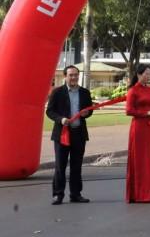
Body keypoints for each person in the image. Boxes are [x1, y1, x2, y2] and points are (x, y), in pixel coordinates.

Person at [45, 65, 93, 205]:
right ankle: (58, 194)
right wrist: (61, 119)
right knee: (60, 165)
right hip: (62, 134)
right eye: (71, 75)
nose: (74, 78)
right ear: (65, 76)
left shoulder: (84, 92)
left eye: (76, 75)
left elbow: (89, 110)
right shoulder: (57, 92)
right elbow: (50, 111)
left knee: (76, 165)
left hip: (79, 133)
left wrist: (87, 113)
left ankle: (76, 194)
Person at [125, 65, 150, 203]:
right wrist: (147, 113)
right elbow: (128, 111)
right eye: (146, 73)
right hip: (138, 127)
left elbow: (149, 108)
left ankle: (149, 193)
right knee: (139, 159)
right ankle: (138, 193)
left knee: (149, 159)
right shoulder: (133, 90)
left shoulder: (149, 90)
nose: (148, 76)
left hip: (149, 126)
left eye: (149, 74)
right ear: (139, 74)